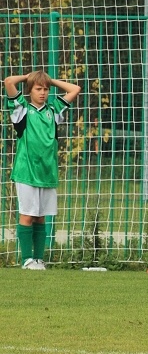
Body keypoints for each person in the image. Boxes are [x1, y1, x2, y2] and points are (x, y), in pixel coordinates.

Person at [4, 71, 81, 270]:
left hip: (47, 173)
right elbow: (9, 81)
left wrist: (49, 79)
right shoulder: (21, 109)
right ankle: (27, 259)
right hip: (26, 172)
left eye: (46, 89)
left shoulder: (53, 110)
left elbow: (75, 89)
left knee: (41, 217)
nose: (43, 92)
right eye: (38, 88)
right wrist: (28, 77)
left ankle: (38, 259)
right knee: (27, 215)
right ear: (30, 90)